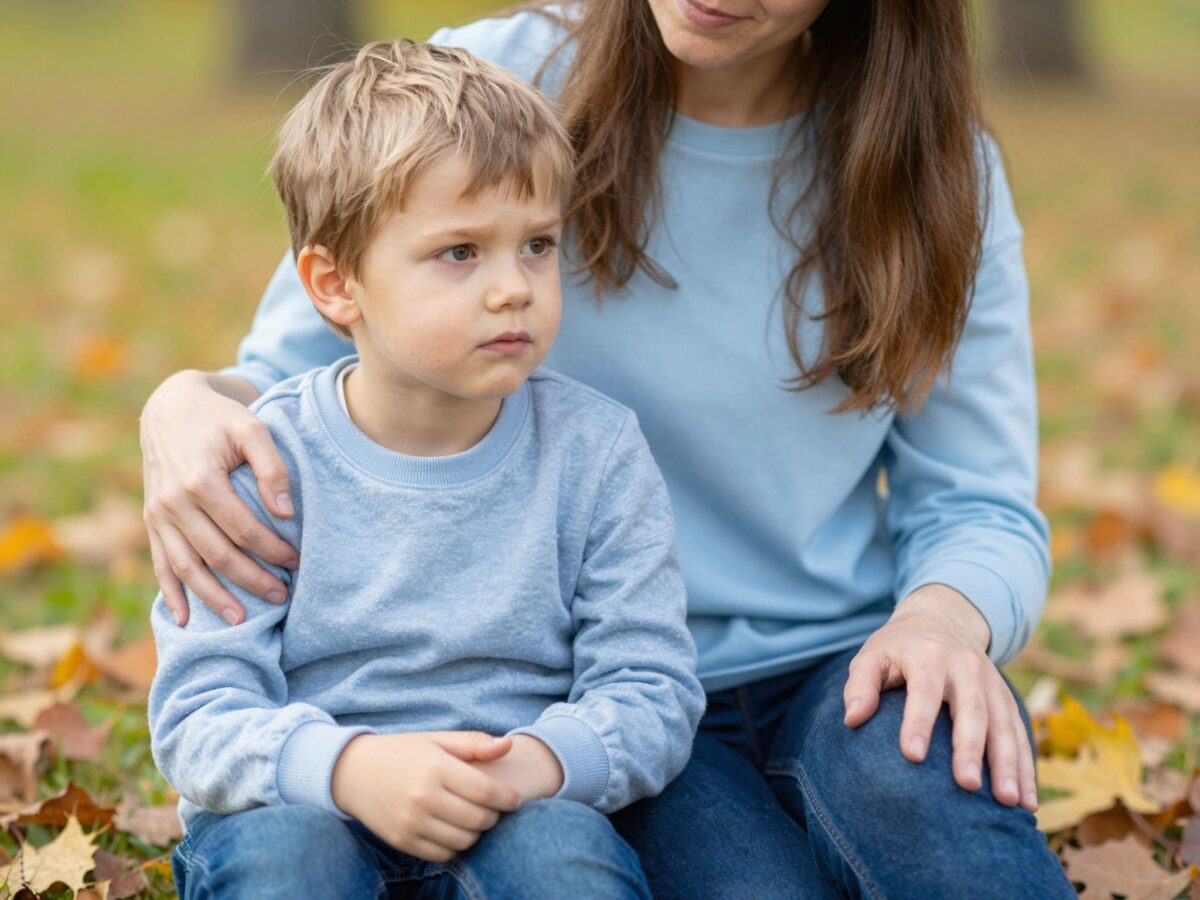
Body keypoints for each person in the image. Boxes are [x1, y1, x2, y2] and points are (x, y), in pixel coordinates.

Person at [141, 1, 1077, 896]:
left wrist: (941, 623)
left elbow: (977, 498)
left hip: (830, 668)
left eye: (539, 246)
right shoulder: (497, 90)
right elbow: (290, 375)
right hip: (580, 689)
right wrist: (178, 403)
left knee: (946, 832)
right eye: (466, 252)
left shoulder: (936, 168)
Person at [147, 39, 705, 899]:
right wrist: (348, 770)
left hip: (514, 804)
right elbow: (198, 713)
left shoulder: (596, 452)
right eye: (460, 252)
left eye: (537, 244)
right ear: (336, 285)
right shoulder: (263, 463)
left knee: (564, 862)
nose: (514, 287)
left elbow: (650, 686)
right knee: (286, 865)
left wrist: (536, 764)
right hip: (300, 803)